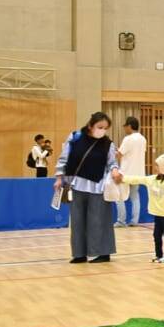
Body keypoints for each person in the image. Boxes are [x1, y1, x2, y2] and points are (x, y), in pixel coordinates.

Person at [54, 112, 120, 263]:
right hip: (76, 184)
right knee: (77, 221)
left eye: (105, 128)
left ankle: (102, 253)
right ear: (90, 125)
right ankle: (79, 253)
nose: (102, 130)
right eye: (100, 127)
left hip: (98, 186)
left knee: (98, 220)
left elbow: (112, 163)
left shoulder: (108, 144)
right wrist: (59, 177)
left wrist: (115, 170)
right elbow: (63, 158)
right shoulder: (75, 138)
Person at [113, 153, 164, 263]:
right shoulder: (151, 179)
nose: (155, 167)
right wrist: (123, 178)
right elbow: (137, 179)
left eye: (157, 165)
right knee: (156, 235)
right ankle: (158, 255)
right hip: (157, 214)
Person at [115, 116, 147, 227]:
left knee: (119, 197)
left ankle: (121, 221)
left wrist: (113, 152)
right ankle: (134, 221)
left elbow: (119, 154)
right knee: (135, 197)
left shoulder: (128, 139)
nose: (124, 128)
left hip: (126, 173)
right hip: (138, 174)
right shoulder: (143, 139)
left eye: (125, 126)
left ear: (129, 126)